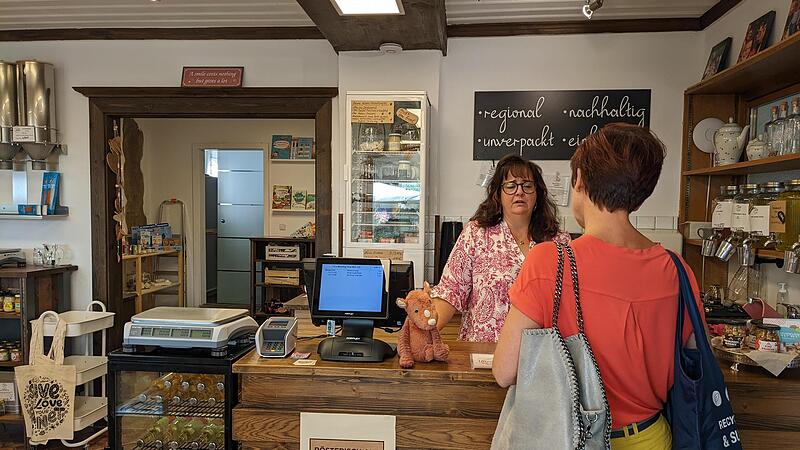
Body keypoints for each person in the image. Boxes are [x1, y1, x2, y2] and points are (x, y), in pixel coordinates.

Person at [493, 124, 705, 449]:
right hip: (653, 438)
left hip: (572, 438)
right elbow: (696, 360)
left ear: (579, 180)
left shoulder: (550, 261)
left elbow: (504, 372)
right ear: (641, 195)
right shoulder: (678, 269)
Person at [429, 155, 570, 342]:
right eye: (511, 186)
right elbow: (451, 290)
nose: (519, 192)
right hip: (483, 350)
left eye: (527, 186)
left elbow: (569, 302)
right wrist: (425, 330)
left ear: (537, 194)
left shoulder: (559, 241)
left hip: (540, 352)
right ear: (498, 194)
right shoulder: (476, 233)